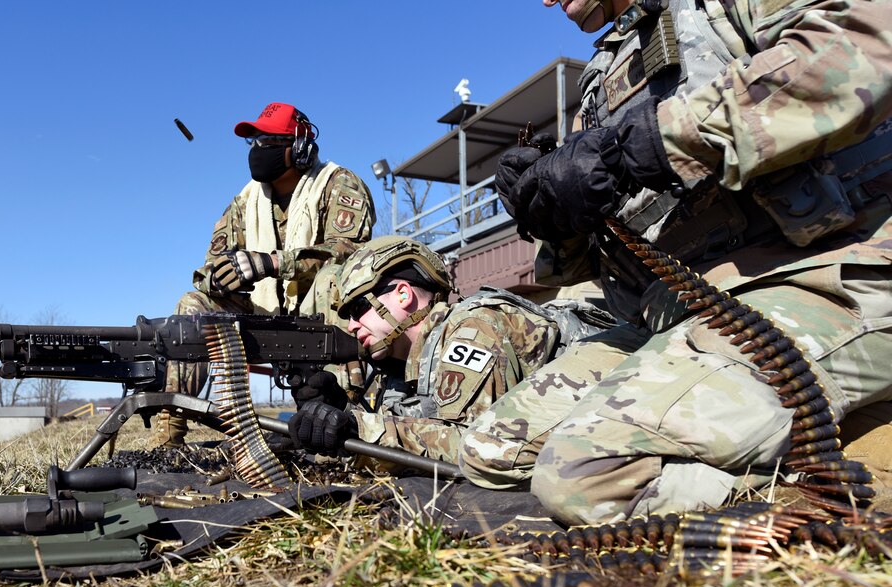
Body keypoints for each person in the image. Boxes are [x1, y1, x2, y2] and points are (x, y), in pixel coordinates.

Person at [460, 0, 892, 524]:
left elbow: (865, 46)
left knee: (584, 479)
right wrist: (553, 213)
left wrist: (650, 143)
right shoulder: (601, 82)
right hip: (680, 309)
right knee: (491, 451)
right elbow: (598, 261)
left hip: (825, 273)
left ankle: (844, 474)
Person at [287, 236, 614, 467]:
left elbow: (471, 446)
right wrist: (339, 415)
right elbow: (416, 427)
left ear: (403, 295)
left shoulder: (473, 327)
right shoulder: (405, 365)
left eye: (358, 308)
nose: (353, 325)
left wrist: (356, 429)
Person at [160, 102, 376, 447]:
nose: (258, 151)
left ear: (301, 149)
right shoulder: (247, 201)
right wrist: (219, 278)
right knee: (193, 305)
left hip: (321, 312)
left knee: (334, 276)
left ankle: (345, 420)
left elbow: (349, 255)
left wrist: (272, 263)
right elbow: (208, 266)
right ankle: (169, 438)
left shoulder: (339, 184)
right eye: (254, 142)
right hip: (262, 315)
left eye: (270, 143)